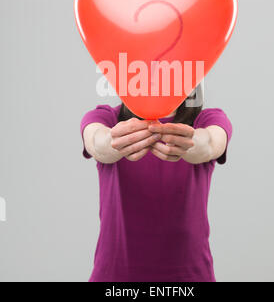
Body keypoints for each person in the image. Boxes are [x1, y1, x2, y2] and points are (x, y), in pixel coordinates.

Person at [80, 86, 232, 282]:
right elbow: (97, 141)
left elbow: (210, 142)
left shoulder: (208, 120)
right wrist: (113, 142)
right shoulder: (105, 117)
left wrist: (190, 142)